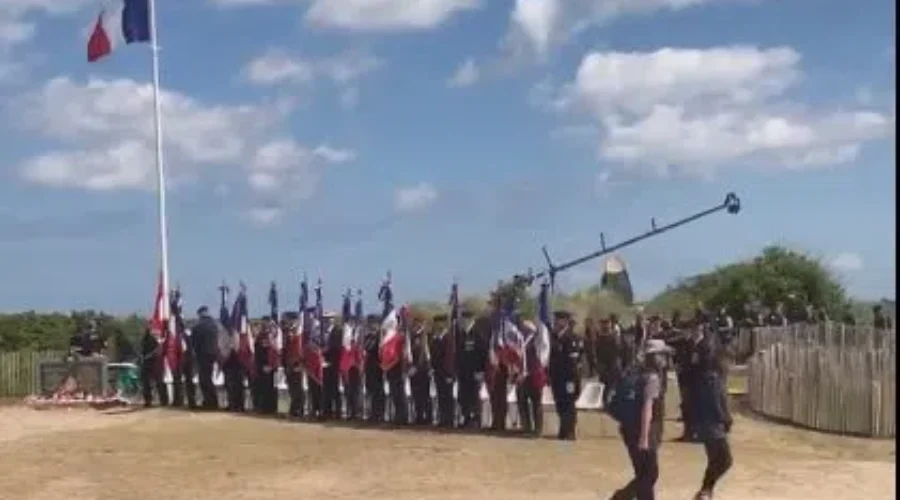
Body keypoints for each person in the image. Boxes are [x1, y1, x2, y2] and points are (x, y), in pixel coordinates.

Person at [610, 339, 672, 500]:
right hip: (644, 430)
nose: (666, 358)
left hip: (628, 428)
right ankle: (620, 497)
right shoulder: (652, 378)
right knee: (651, 474)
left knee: (643, 473)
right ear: (655, 356)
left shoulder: (635, 372)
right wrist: (644, 437)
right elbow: (647, 408)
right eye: (663, 355)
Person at [692, 355, 734, 500]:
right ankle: (705, 489)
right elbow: (716, 404)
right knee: (725, 460)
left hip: (708, 425)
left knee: (715, 460)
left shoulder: (710, 379)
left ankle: (706, 491)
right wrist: (726, 419)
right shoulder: (713, 380)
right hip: (713, 426)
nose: (729, 365)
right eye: (727, 362)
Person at [549, 310, 582, 440]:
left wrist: (573, 381)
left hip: (569, 379)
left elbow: (572, 363)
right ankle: (563, 429)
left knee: (569, 404)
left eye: (560, 319)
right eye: (556, 319)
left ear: (566, 321)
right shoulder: (554, 337)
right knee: (560, 403)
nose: (557, 322)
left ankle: (570, 431)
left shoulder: (572, 338)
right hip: (557, 378)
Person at [456, 310, 485, 429]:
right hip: (463, 371)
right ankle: (467, 418)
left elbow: (482, 353)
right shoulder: (461, 334)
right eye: (463, 320)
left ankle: (477, 420)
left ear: (472, 320)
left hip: (475, 372)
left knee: (475, 396)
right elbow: (458, 354)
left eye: (467, 320)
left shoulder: (478, 333)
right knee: (464, 396)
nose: (464, 322)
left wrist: (480, 370)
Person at [515, 319, 545, 437]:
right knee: (522, 401)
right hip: (522, 377)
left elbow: (540, 358)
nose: (522, 330)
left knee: (536, 403)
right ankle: (526, 427)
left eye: (525, 329)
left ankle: (537, 430)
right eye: (522, 328)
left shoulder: (536, 342)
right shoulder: (521, 342)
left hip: (534, 376)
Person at [191, 306, 220, 410]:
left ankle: (209, 402)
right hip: (213, 354)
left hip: (202, 355)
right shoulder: (214, 325)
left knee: (204, 379)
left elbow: (194, 342)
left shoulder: (198, 326)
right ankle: (212, 401)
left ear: (200, 314)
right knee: (208, 378)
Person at [430, 314, 456, 428]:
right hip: (438, 372)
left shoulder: (449, 338)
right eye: (437, 323)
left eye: (441, 323)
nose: (438, 325)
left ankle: (450, 419)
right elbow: (433, 356)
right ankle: (443, 418)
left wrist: (450, 374)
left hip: (447, 373)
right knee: (440, 396)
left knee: (448, 396)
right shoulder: (435, 338)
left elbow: (450, 357)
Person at [408, 318, 433, 425]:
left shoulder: (426, 336)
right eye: (415, 324)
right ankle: (418, 416)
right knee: (416, 395)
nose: (417, 326)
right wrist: (410, 367)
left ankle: (428, 417)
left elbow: (426, 355)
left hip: (423, 370)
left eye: (419, 324)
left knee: (425, 395)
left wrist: (418, 367)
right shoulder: (411, 337)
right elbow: (409, 354)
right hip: (413, 371)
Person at [282, 312, 306, 418]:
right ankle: (293, 409)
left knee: (298, 388)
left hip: (297, 363)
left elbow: (301, 350)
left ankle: (299, 410)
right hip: (289, 363)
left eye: (288, 320)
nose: (287, 322)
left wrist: (300, 363)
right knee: (292, 388)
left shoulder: (299, 332)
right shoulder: (288, 332)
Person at [363, 314, 386, 423]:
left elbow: (378, 350)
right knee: (371, 391)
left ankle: (380, 414)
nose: (371, 325)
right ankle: (373, 413)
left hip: (378, 366)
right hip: (369, 366)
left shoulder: (380, 337)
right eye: (370, 323)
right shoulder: (367, 336)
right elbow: (366, 348)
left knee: (378, 391)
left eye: (373, 323)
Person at [140, 327, 168, 407]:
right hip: (153, 363)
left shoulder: (149, 340)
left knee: (150, 383)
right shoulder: (150, 340)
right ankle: (163, 400)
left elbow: (155, 352)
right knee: (156, 382)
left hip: (152, 363)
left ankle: (149, 401)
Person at [322, 313, 343, 420]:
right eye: (325, 319)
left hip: (334, 364)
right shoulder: (323, 332)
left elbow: (338, 349)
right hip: (324, 364)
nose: (327, 321)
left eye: (330, 319)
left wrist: (331, 361)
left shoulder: (338, 331)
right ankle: (327, 412)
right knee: (326, 389)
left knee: (335, 389)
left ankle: (338, 413)